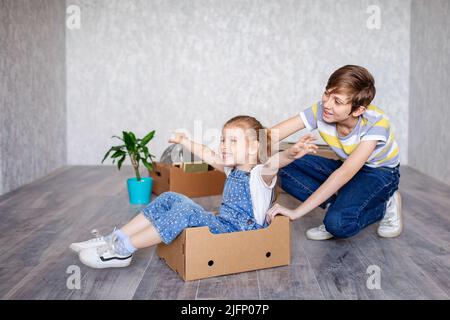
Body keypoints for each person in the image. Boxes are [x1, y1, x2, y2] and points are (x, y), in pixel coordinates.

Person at [70, 115, 317, 268]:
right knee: (170, 197)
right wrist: (183, 141)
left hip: (242, 232)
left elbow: (278, 162)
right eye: (223, 139)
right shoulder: (231, 170)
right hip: (222, 225)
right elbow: (207, 154)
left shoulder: (260, 173)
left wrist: (292, 153)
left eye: (233, 141)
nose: (223, 146)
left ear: (253, 148)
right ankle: (113, 239)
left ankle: (123, 251)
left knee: (186, 211)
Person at [266, 65, 402, 240]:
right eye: (326, 93)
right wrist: (240, 148)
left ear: (358, 110)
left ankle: (384, 206)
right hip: (348, 166)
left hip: (380, 173)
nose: (327, 104)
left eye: (337, 101)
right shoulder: (322, 110)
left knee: (337, 224)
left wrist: (296, 212)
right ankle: (339, 203)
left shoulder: (376, 124)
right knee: (278, 163)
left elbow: (344, 174)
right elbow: (272, 134)